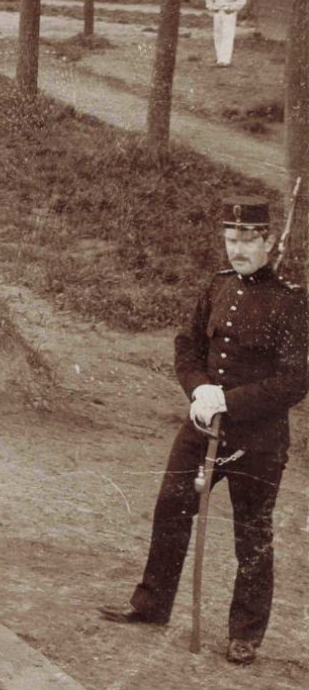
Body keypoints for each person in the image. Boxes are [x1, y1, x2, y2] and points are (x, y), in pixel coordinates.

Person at [98, 197, 306, 666]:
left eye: (248, 242)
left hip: (258, 441)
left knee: (252, 532)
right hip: (201, 425)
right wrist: (199, 390)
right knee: (172, 506)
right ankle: (151, 604)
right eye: (231, 241)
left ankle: (245, 633)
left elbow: (295, 381)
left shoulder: (292, 302)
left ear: (270, 243)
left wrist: (229, 401)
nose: (237, 251)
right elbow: (186, 346)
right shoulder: (217, 287)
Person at [204, 0, 247, 68]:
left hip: (228, 13)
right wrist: (212, 7)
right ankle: (219, 57)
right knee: (218, 35)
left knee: (227, 35)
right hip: (218, 13)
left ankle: (225, 60)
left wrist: (232, 8)